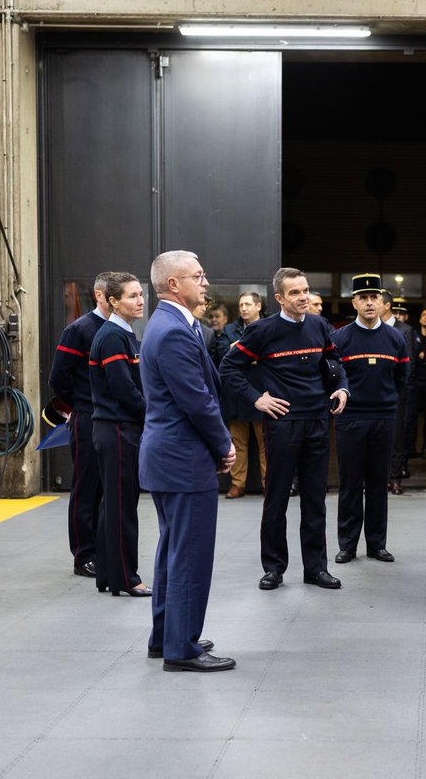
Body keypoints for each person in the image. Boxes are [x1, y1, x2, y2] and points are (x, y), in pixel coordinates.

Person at [220, 267, 349, 592]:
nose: (303, 297)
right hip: (282, 424)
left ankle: (316, 569)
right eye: (295, 292)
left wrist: (342, 387)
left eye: (305, 290)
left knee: (315, 500)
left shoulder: (319, 326)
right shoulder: (262, 331)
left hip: (317, 422)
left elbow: (334, 362)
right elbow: (229, 367)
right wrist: (257, 398)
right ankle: (274, 568)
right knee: (276, 498)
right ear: (279, 298)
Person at [140, 250, 236, 673]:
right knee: (189, 556)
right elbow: (196, 400)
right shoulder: (174, 332)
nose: (205, 281)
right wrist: (224, 444)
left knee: (173, 550)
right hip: (182, 458)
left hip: (171, 458)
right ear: (174, 284)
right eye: (198, 276)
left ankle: (167, 636)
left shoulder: (172, 324)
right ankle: (181, 648)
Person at [332, 274, 409, 563]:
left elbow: (402, 377)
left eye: (373, 297)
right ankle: (347, 545)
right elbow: (331, 378)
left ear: (382, 302)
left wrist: (386, 402)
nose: (368, 302)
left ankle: (377, 545)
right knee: (350, 484)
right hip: (350, 419)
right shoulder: (340, 338)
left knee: (378, 483)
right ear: (354, 302)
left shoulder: (395, 337)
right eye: (362, 297)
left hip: (383, 419)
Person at [88, 271, 150, 598]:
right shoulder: (113, 337)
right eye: (132, 296)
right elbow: (125, 390)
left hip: (118, 428)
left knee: (111, 505)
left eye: (141, 294)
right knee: (122, 507)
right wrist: (153, 416)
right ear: (113, 301)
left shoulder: (124, 333)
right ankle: (127, 579)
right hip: (116, 429)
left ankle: (108, 575)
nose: (140, 301)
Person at [48, 271, 111, 579]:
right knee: (86, 488)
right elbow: (58, 377)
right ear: (100, 295)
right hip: (87, 418)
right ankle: (84, 555)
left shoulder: (119, 330)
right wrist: (77, 407)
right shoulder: (80, 330)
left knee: (106, 489)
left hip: (111, 419)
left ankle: (103, 550)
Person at [222, 291, 267, 499]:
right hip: (237, 395)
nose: (243, 308)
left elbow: (271, 356)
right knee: (237, 443)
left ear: (258, 306)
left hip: (262, 393)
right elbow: (223, 355)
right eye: (241, 305)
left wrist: (241, 354)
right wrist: (249, 356)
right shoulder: (229, 330)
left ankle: (268, 483)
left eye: (248, 304)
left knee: (265, 443)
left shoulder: (268, 327)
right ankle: (237, 484)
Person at [388, 296, 416, 493]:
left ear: (385, 305)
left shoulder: (405, 330)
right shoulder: (374, 328)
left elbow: (408, 363)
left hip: (396, 391)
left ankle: (395, 477)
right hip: (375, 392)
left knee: (397, 436)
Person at [406, 307, 426, 459]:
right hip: (415, 382)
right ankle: (411, 447)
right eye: (424, 314)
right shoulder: (413, 336)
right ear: (419, 319)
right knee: (411, 417)